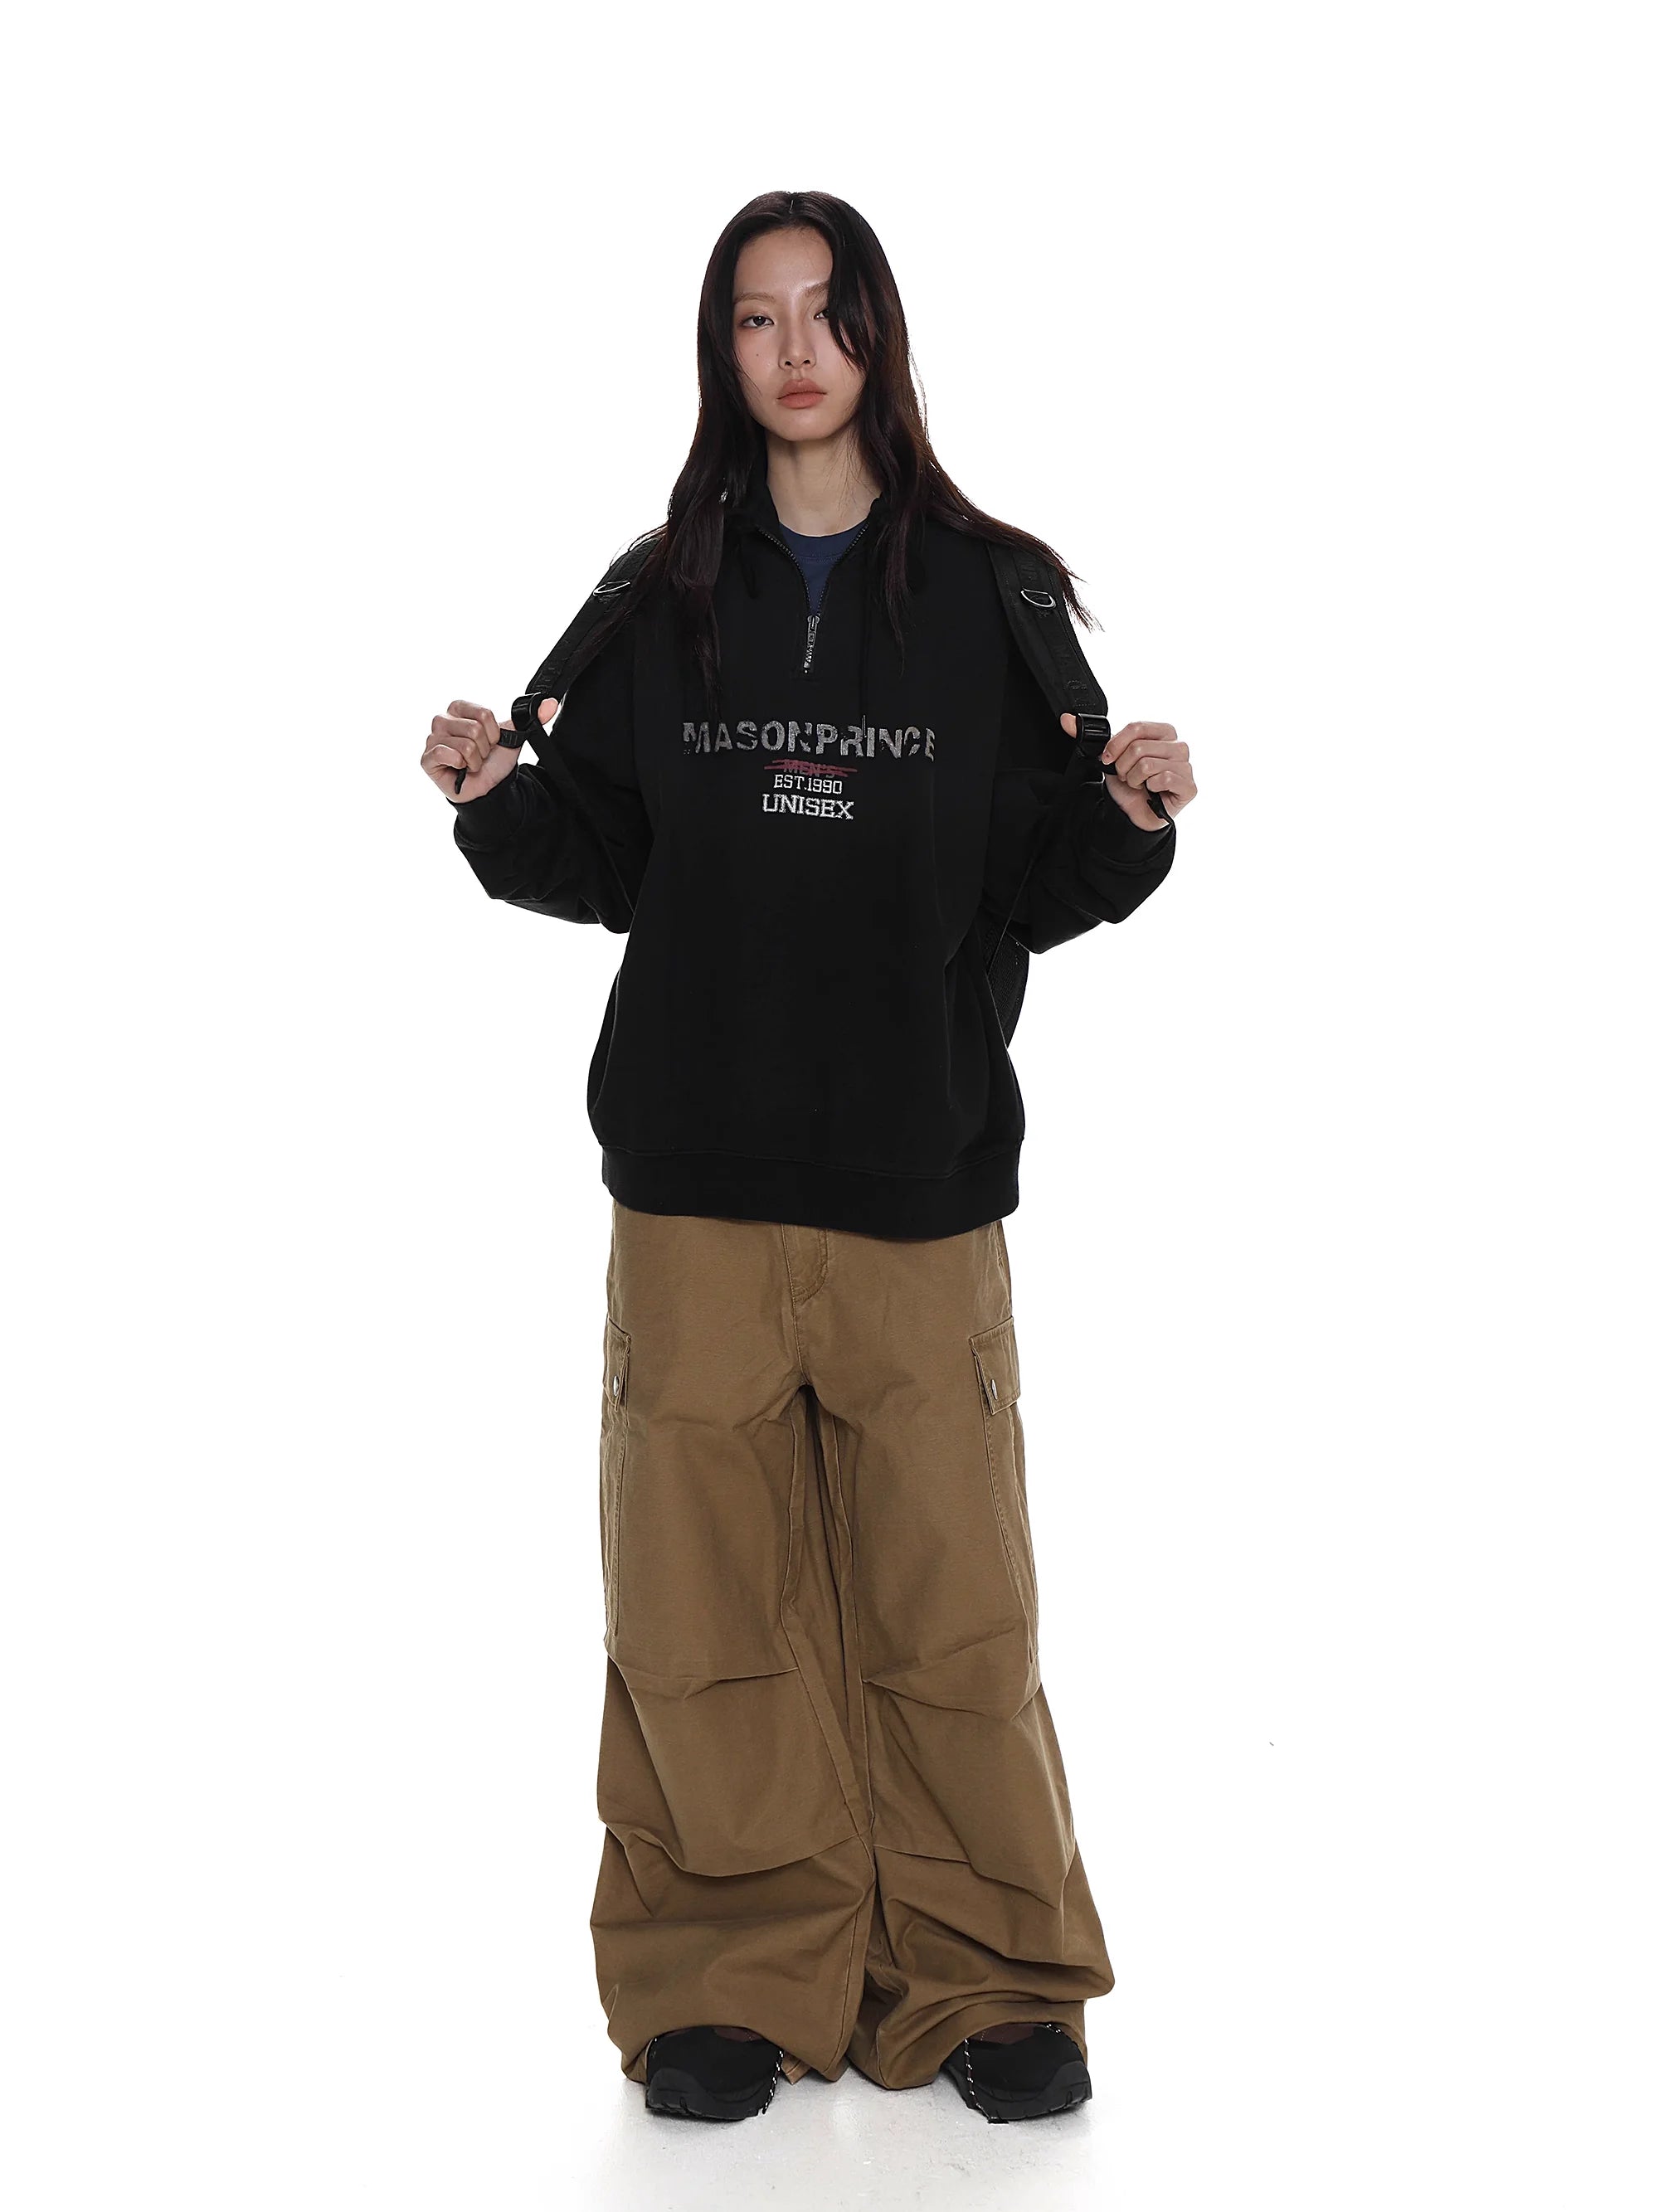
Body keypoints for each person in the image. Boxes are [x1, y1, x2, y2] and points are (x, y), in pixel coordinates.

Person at [421, 191, 1195, 2126]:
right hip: (691, 1186)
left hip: (916, 1187)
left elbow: (1034, 877)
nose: (792, 350)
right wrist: (497, 799)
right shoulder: (657, 596)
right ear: (722, 352)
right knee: (699, 1618)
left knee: (955, 1618)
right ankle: (724, 1978)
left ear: (877, 335)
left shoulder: (994, 596)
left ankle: (989, 1977)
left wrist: (1130, 823)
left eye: (824, 311)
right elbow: (609, 858)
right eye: (756, 318)